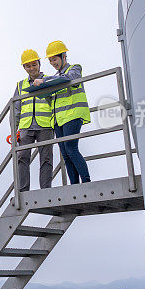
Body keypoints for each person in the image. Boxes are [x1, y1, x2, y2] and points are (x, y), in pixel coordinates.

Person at [34, 40, 91, 184]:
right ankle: (74, 184)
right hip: (58, 119)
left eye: (55, 59)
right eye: (51, 60)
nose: (53, 62)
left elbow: (70, 78)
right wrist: (44, 92)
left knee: (71, 149)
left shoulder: (74, 68)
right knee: (65, 154)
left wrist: (45, 80)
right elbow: (52, 100)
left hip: (72, 115)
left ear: (63, 56)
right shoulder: (54, 77)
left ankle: (86, 181)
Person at [13, 49, 54, 192]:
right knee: (22, 158)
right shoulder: (20, 85)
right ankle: (23, 191)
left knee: (46, 158)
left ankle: (46, 190)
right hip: (26, 127)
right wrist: (14, 131)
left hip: (45, 125)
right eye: (28, 66)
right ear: (24, 67)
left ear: (39, 64)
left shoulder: (49, 80)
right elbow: (16, 109)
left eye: (34, 64)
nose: (32, 68)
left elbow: (55, 102)